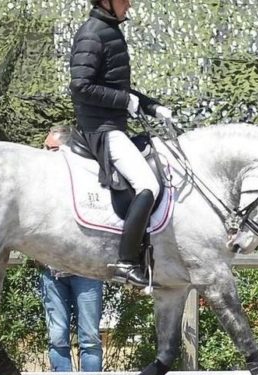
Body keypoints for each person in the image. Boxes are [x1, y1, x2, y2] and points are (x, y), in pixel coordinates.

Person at [69, 0, 172, 287]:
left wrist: (152, 107)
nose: (129, 4)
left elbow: (117, 86)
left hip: (113, 124)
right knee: (147, 185)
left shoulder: (109, 30)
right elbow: (80, 85)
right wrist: (124, 101)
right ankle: (126, 262)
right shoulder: (93, 33)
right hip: (101, 129)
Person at [41, 128, 104, 375]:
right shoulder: (40, 188)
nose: (45, 154)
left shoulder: (87, 181)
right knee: (57, 338)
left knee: (89, 339)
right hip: (52, 272)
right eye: (44, 148)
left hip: (86, 271)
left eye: (52, 149)